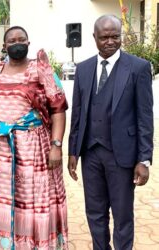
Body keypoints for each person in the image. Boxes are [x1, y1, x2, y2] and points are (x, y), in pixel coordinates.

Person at [0, 26, 68, 249]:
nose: (16, 43)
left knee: (32, 200)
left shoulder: (42, 70)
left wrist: (56, 145)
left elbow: (58, 109)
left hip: (33, 150)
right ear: (5, 45)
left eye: (21, 39)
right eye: (11, 40)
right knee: (3, 199)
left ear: (28, 43)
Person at [68, 15, 153, 250]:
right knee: (95, 213)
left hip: (122, 155)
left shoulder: (138, 67)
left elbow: (145, 117)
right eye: (104, 37)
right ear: (94, 38)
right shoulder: (83, 69)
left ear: (121, 37)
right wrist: (73, 151)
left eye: (115, 36)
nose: (110, 41)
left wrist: (143, 159)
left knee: (123, 214)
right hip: (91, 153)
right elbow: (77, 113)